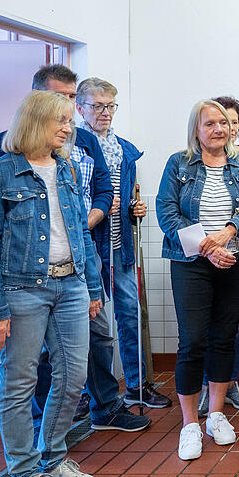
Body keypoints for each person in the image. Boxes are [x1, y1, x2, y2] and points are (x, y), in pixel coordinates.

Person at [0, 64, 150, 434]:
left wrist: (85, 222)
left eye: (73, 98)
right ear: (37, 97)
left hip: (79, 261)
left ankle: (102, 407)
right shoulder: (4, 147)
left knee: (98, 337)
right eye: (63, 97)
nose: (69, 108)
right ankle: (42, 430)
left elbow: (104, 189)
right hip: (26, 276)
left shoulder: (83, 144)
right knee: (32, 362)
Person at [0, 91, 103, 477]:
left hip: (72, 285)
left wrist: (93, 287)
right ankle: (24, 474)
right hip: (22, 290)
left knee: (73, 377)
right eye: (61, 120)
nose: (69, 128)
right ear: (35, 121)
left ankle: (54, 458)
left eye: (69, 121)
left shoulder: (64, 169)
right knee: (20, 384)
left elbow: (81, 232)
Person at [156, 99, 239, 461]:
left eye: (223, 122)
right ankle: (190, 424)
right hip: (191, 262)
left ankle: (217, 415)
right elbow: (166, 211)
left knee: (224, 338)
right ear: (196, 130)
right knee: (192, 342)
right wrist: (205, 246)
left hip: (233, 260)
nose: (219, 129)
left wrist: (230, 231)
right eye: (210, 124)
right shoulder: (178, 163)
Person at [75, 78, 171, 410]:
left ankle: (136, 385)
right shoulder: (75, 147)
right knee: (91, 320)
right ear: (80, 108)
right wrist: (98, 208)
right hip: (88, 246)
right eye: (97, 105)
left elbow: (129, 193)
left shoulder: (125, 150)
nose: (105, 112)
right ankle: (92, 393)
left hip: (121, 244)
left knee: (130, 313)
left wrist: (133, 208)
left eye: (110, 106)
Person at [198, 95, 239, 414]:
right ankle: (207, 387)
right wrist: (208, 246)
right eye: (219, 122)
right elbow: (175, 211)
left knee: (232, 325)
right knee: (200, 329)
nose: (227, 128)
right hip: (198, 258)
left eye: (232, 122)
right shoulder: (187, 162)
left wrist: (230, 231)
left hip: (238, 256)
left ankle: (230, 382)